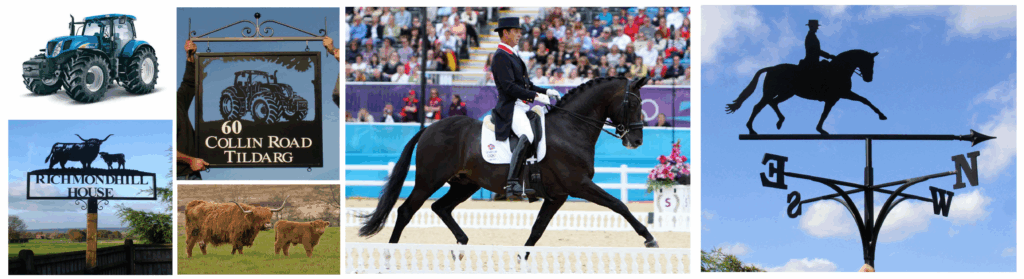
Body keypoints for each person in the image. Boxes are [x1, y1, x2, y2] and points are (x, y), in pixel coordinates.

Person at [490, 17, 561, 197]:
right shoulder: (500, 56)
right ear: (505, 33)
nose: (520, 34)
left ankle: (534, 177)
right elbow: (509, 87)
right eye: (516, 31)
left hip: (522, 106)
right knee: (527, 135)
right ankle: (512, 182)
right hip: (510, 106)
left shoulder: (513, 55)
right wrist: (536, 97)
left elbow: (526, 85)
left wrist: (546, 91)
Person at [176, 40, 209, 180]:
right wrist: (190, 161)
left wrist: (190, 58)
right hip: (179, 176)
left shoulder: (176, 103)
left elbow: (189, 84)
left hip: (193, 173)